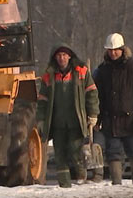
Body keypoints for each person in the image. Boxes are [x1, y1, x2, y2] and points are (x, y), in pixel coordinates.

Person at [36, 44, 99, 188]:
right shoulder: (49, 76)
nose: (61, 58)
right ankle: (64, 183)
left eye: (64, 55)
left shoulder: (81, 72)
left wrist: (93, 114)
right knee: (59, 154)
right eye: (58, 56)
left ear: (70, 56)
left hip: (76, 121)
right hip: (57, 123)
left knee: (75, 150)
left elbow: (91, 93)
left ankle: (81, 177)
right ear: (54, 58)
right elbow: (42, 100)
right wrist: (41, 119)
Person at [93, 33, 133, 185]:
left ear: (123, 49)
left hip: (131, 120)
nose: (113, 53)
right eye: (110, 50)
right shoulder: (103, 71)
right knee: (113, 154)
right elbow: (98, 97)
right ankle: (116, 183)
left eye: (116, 50)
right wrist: (97, 118)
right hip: (110, 121)